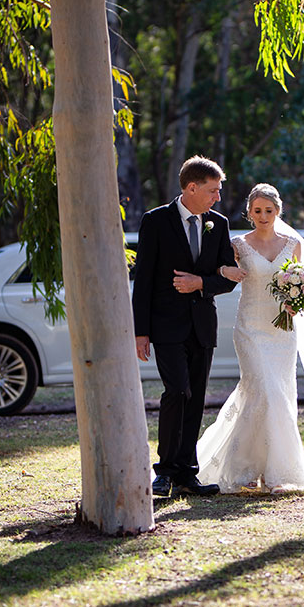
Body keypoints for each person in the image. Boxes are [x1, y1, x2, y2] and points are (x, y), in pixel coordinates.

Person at [196, 183, 304, 494]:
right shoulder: (237, 244)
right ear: (249, 213)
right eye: (257, 211)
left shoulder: (292, 245)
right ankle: (244, 468)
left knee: (276, 395)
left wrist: (297, 301)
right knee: (263, 390)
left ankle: (276, 473)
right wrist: (224, 269)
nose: (263, 216)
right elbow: (216, 271)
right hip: (249, 329)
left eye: (269, 211)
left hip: (283, 331)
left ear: (278, 211)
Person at [132, 156, 238, 497]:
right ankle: (163, 472)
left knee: (195, 400)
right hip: (165, 326)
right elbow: (144, 278)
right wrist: (140, 331)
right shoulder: (155, 221)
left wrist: (200, 283)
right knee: (177, 392)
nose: (217, 197)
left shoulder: (218, 224)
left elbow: (229, 278)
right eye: (212, 190)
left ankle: (187, 474)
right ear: (191, 188)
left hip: (202, 326)